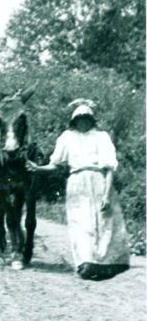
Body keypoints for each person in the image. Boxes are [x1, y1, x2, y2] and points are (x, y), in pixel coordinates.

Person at [26, 99, 130, 280]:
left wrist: (106, 194)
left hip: (98, 180)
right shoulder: (67, 137)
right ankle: (85, 262)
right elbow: (56, 164)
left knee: (102, 222)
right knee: (80, 222)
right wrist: (38, 168)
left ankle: (104, 263)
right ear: (74, 121)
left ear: (92, 120)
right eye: (80, 118)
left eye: (87, 118)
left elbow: (109, 168)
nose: (83, 122)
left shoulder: (101, 137)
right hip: (76, 181)